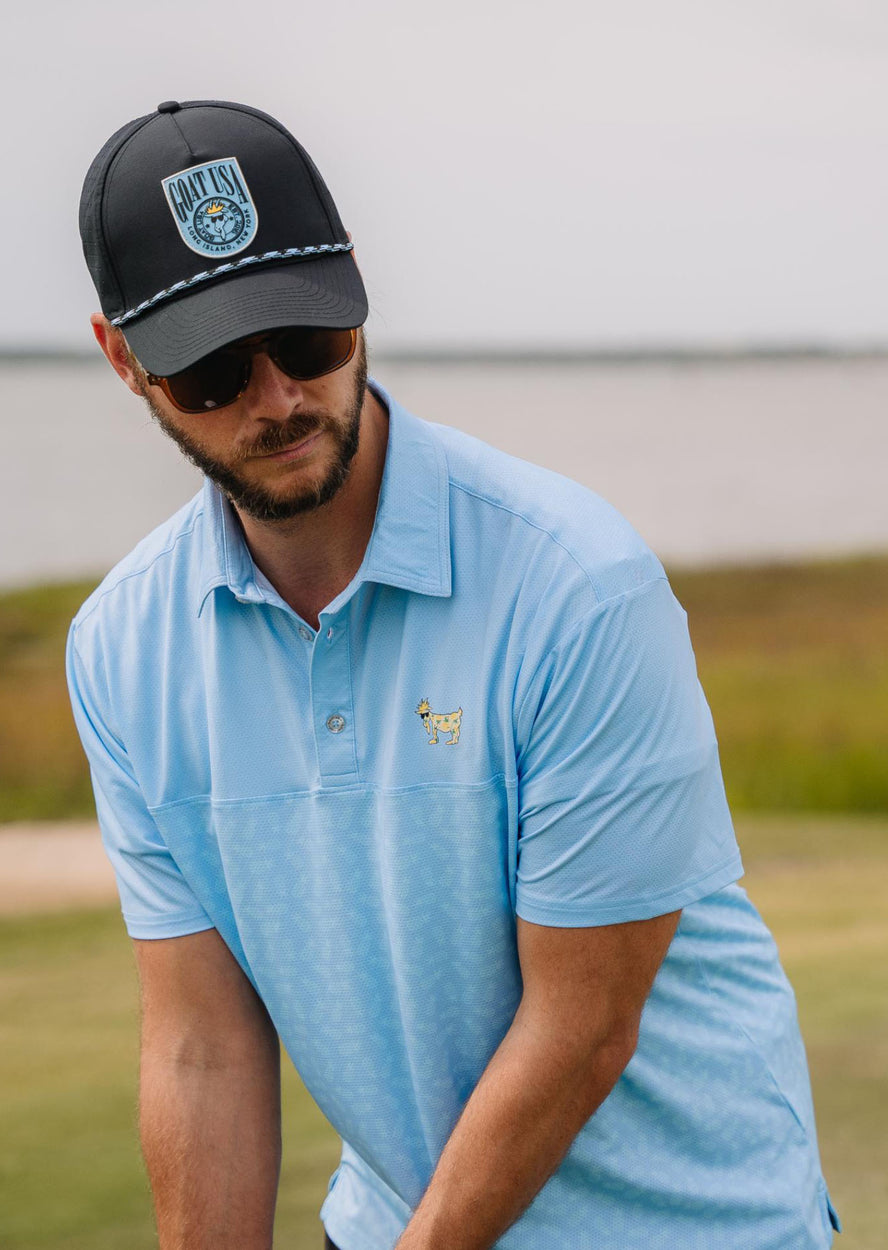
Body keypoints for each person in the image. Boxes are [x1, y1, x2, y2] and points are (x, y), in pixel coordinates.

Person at [68, 100, 841, 1250]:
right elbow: (202, 1041)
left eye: (308, 337)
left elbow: (581, 1024)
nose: (279, 396)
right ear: (125, 360)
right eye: (215, 368)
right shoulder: (122, 645)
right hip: (395, 1219)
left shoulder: (577, 582)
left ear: (355, 293)